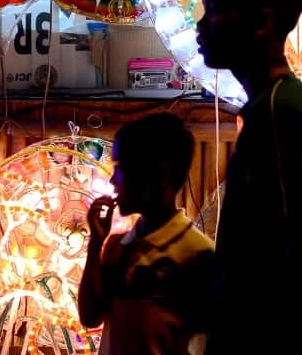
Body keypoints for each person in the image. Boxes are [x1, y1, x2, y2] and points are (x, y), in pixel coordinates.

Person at [196, 0, 302, 355]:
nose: (201, 25)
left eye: (215, 11)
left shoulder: (279, 114)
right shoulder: (275, 105)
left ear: (263, 22)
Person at [79, 112, 215, 355]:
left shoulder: (199, 256)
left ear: (157, 175)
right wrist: (94, 245)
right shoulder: (117, 246)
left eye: (120, 168)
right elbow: (90, 317)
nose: (112, 180)